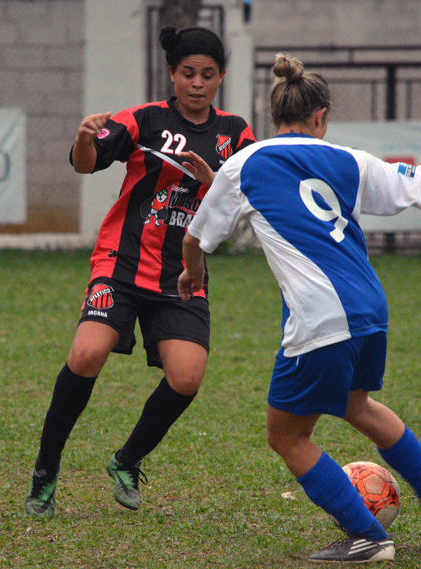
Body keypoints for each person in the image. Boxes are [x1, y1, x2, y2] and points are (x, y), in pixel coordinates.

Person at [178, 54, 421, 563]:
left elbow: (196, 237)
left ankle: (369, 536)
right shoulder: (349, 160)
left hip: (320, 316)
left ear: (276, 115)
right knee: (356, 405)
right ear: (321, 118)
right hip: (369, 307)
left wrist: (193, 275)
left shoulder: (245, 163)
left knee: (287, 435)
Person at [24, 26, 256, 518]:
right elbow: (85, 166)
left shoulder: (236, 133)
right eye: (188, 73)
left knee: (187, 378)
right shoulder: (143, 120)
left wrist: (216, 184)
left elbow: (245, 205)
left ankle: (126, 461)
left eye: (208, 75)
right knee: (86, 354)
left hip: (183, 273)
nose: (197, 83)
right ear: (171, 74)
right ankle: (46, 468)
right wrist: (84, 139)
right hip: (122, 262)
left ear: (221, 78)